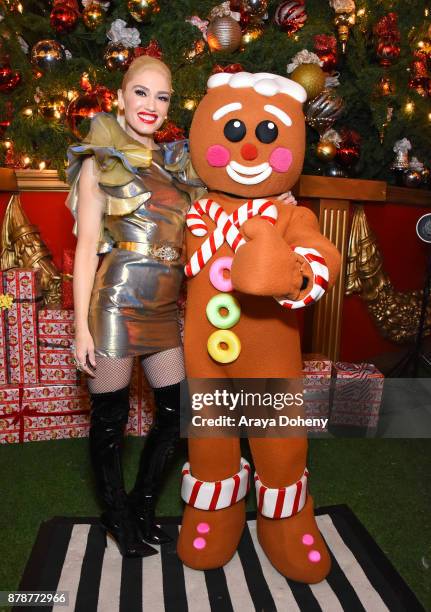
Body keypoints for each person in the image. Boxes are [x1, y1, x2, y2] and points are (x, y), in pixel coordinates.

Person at [66, 56, 201, 558]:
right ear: (120, 97)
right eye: (140, 93)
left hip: (165, 305)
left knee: (177, 413)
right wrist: (80, 327)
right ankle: (115, 514)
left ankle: (144, 503)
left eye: (161, 97)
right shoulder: (97, 159)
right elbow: (85, 249)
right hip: (117, 301)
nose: (150, 105)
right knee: (110, 418)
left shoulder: (175, 163)